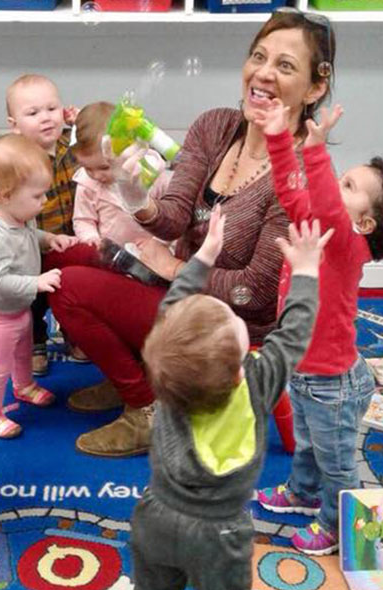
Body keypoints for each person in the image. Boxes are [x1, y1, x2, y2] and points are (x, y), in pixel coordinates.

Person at [48, 10, 336, 457]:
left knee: (69, 289)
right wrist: (136, 196)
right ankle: (139, 372)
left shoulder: (297, 178)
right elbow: (175, 217)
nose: (262, 73)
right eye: (258, 56)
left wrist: (176, 265)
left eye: (285, 65)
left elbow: (255, 293)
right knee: (62, 261)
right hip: (177, 289)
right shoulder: (216, 125)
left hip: (231, 326)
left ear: (315, 89)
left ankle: (145, 407)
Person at [129, 209, 330, 590]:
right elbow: (293, 333)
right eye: (233, 319)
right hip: (221, 533)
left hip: (154, 517)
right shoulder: (256, 383)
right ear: (239, 370)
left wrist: (204, 257)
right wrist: (306, 272)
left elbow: (173, 308)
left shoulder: (167, 378)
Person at [253, 98, 383, 555]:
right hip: (306, 373)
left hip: (333, 384)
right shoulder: (320, 226)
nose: (331, 186)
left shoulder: (348, 247)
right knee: (308, 444)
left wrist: (317, 149)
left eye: (347, 184)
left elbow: (326, 204)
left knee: (337, 462)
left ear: (363, 222)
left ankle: (333, 524)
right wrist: (277, 138)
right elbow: (292, 192)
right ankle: (302, 493)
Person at [0, 134, 80, 438]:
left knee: (23, 352)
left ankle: (24, 386)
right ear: (4, 196)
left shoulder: (22, 219)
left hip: (18, 307)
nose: (44, 202)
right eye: (37, 197)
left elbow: (32, 237)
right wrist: (36, 281)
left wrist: (49, 239)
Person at [6, 73, 84, 375]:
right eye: (33, 113)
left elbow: (95, 148)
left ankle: (73, 333)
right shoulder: (15, 157)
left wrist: (80, 124)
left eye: (52, 109)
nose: (45, 118)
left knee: (72, 289)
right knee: (33, 299)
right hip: (32, 245)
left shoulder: (71, 145)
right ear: (14, 124)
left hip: (70, 236)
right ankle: (35, 340)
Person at [70, 101, 163, 248]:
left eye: (105, 167)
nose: (96, 175)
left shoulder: (149, 173)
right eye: (88, 168)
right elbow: (83, 219)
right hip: (111, 254)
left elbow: (172, 214)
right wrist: (91, 238)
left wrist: (157, 243)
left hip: (153, 252)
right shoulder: (87, 184)